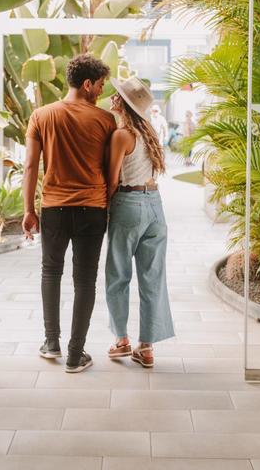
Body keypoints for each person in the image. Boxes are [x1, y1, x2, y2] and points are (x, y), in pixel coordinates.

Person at [22, 54, 116, 373]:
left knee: (51, 271)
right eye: (100, 85)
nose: (101, 91)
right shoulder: (105, 120)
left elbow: (31, 166)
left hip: (54, 207)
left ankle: (52, 342)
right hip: (93, 207)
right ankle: (76, 354)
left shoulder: (41, 115)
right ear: (87, 84)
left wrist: (28, 210)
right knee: (85, 278)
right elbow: (109, 168)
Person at [104, 76, 175, 369]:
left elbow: (111, 181)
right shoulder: (149, 133)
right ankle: (146, 348)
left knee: (118, 276)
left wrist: (104, 209)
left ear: (122, 103)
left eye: (116, 95)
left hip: (129, 204)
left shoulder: (121, 135)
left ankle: (122, 341)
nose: (111, 97)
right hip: (155, 206)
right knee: (153, 278)